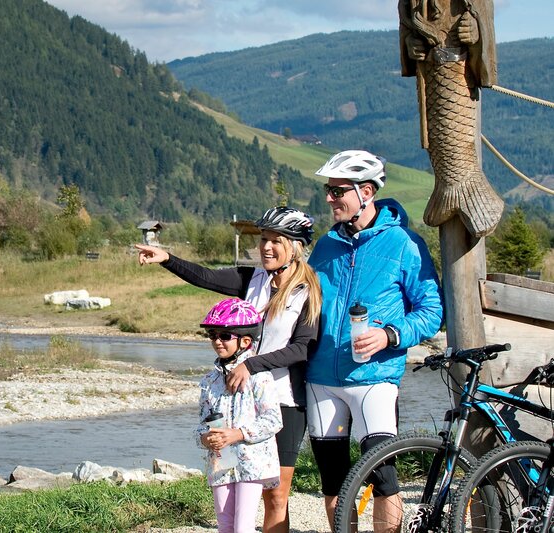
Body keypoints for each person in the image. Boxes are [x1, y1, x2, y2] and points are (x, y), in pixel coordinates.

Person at [137, 206, 322, 533]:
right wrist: (167, 258)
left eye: (275, 241)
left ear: (294, 247)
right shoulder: (253, 280)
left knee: (275, 496)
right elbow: (206, 276)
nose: (266, 247)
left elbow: (302, 347)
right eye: (263, 239)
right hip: (239, 401)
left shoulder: (306, 292)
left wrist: (251, 364)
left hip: (283, 400)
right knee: (234, 491)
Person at [306, 149, 444, 530]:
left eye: (337, 192)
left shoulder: (404, 244)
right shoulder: (325, 246)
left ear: (366, 191)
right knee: (332, 481)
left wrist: (390, 335)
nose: (330, 198)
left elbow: (432, 311)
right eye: (328, 190)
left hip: (374, 379)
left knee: (384, 479)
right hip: (321, 380)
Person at [196, 297, 283, 533]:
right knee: (225, 527)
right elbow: (201, 426)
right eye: (213, 335)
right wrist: (205, 439)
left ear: (245, 341)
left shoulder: (259, 376)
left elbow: (274, 420)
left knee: (242, 527)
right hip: (221, 462)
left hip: (252, 461)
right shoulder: (208, 381)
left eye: (225, 336)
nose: (217, 341)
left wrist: (238, 434)